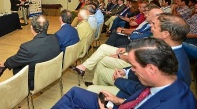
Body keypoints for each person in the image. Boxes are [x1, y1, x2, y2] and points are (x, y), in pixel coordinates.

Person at [52, 38, 197, 109]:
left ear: (151, 68)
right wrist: (119, 101)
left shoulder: (172, 105)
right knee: (75, 93)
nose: (131, 70)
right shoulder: (169, 83)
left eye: (134, 66)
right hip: (123, 104)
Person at [0, 15, 60, 90]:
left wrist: (4, 63)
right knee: (20, 59)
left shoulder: (27, 47)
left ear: (32, 28)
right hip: (53, 73)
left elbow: (16, 60)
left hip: (36, 80)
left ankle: (2, 68)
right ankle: (2, 67)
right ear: (47, 27)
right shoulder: (54, 38)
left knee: (16, 66)